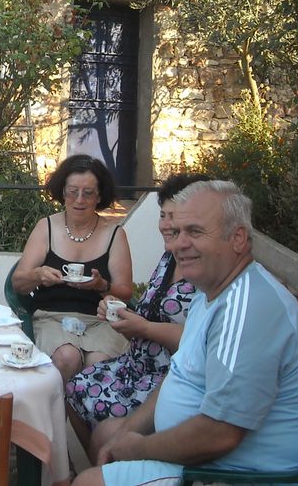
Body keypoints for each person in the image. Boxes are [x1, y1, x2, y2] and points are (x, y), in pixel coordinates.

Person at [73, 180, 298, 486]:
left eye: (195, 231)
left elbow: (220, 433)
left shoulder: (246, 308)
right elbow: (178, 374)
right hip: (212, 462)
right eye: (177, 232)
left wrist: (138, 448)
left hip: (234, 475)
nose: (179, 244)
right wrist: (129, 431)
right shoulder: (212, 294)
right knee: (107, 438)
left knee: (87, 482)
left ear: (238, 238)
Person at [65, 173, 209, 461]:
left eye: (175, 216)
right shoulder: (170, 258)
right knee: (73, 388)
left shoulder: (205, 268)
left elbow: (200, 339)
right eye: (163, 215)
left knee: (104, 423)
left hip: (167, 377)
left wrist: (142, 326)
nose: (167, 225)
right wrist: (121, 316)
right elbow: (150, 316)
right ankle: (105, 468)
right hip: (137, 365)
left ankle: (110, 469)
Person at [11, 154, 134, 380]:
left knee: (99, 363)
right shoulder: (46, 227)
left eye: (88, 193)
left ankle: (89, 413)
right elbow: (18, 283)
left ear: (99, 196)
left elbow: (126, 292)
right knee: (67, 358)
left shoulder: (114, 234)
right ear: (63, 192)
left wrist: (102, 286)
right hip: (52, 316)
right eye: (72, 191)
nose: (79, 200)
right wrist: (38, 275)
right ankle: (62, 414)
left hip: (100, 320)